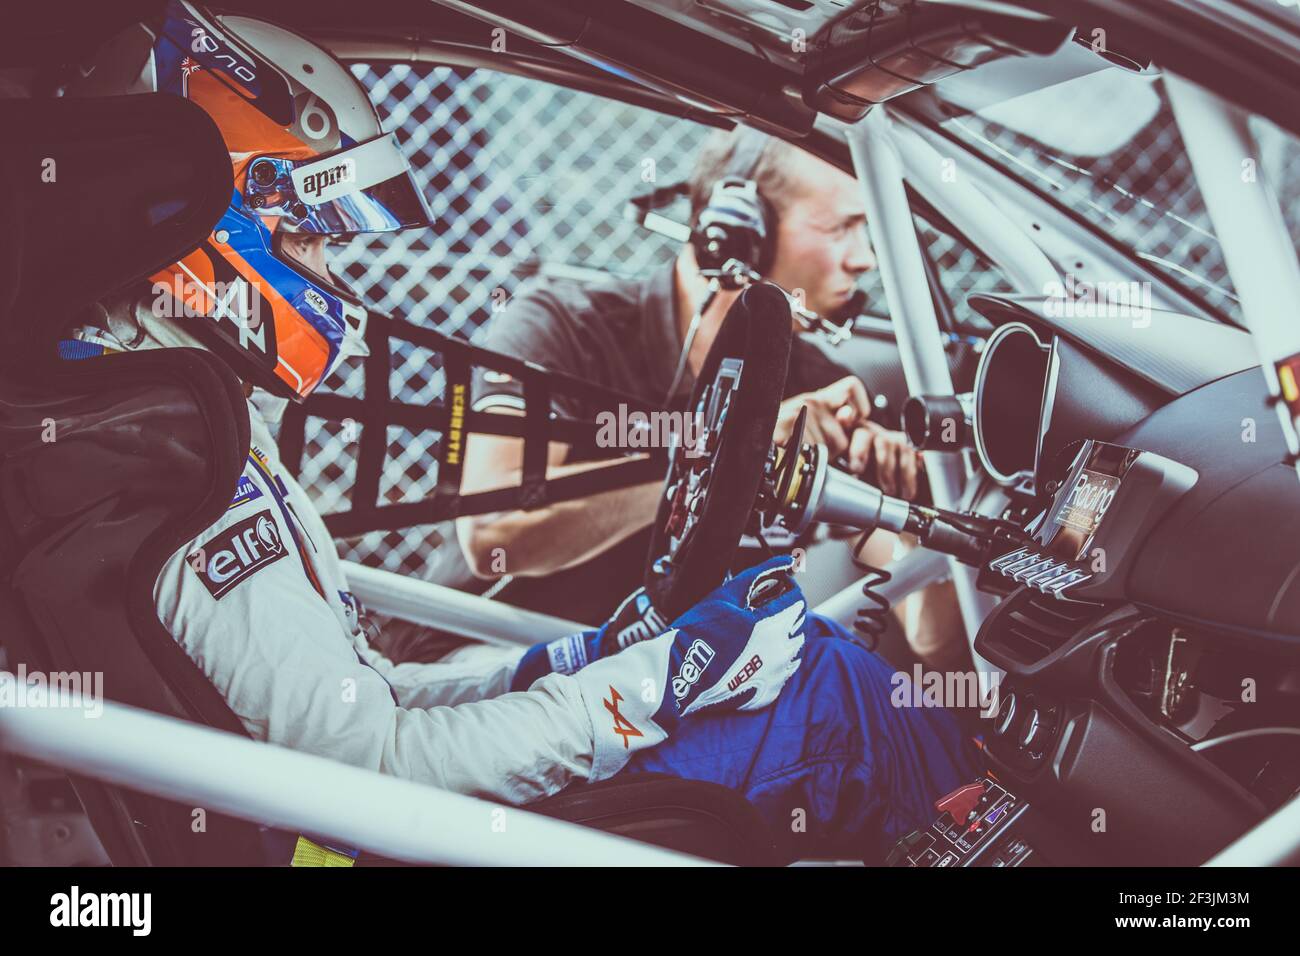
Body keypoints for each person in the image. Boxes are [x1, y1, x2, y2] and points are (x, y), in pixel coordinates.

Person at [62, 1, 979, 863]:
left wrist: (587, 657)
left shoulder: (176, 428)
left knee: (826, 667)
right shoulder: (175, 474)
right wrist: (654, 674)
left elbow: (362, 707)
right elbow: (372, 762)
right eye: (311, 239)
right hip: (387, 827)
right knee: (827, 702)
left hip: (421, 776)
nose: (331, 275)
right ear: (209, 235)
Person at [454, 127, 927, 626]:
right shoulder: (561, 325)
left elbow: (930, 640)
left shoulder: (818, 391)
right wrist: (737, 447)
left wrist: (908, 514)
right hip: (494, 659)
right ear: (743, 232)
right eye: (840, 228)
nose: (864, 259)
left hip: (679, 692)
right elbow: (494, 530)